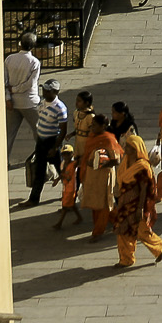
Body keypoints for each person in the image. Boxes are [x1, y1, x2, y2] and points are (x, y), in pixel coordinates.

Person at [111, 133, 162, 266]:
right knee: (123, 230)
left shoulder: (143, 167)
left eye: (129, 147)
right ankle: (126, 259)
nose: (126, 149)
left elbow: (144, 188)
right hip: (124, 201)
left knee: (142, 231)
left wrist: (141, 208)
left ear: (136, 149)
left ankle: (159, 247)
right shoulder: (126, 162)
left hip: (137, 204)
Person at [52, 91, 99, 230]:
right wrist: (72, 134)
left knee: (83, 173)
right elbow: (78, 129)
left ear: (86, 103)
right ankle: (71, 200)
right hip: (78, 144)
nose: (76, 103)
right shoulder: (76, 113)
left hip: (86, 146)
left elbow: (92, 133)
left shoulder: (91, 117)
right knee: (75, 174)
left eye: (79, 101)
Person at [24, 79, 69, 208]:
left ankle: (70, 195)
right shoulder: (43, 103)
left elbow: (63, 130)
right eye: (44, 90)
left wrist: (55, 148)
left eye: (47, 91)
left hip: (52, 142)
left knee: (62, 170)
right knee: (39, 170)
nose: (44, 92)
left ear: (55, 92)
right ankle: (34, 198)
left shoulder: (60, 108)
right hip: (41, 141)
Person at [4, 30, 43, 164]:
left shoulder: (9, 59)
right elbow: (30, 84)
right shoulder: (34, 62)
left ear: (20, 44)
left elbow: (4, 81)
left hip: (12, 103)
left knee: (9, 133)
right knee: (39, 131)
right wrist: (15, 89)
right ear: (33, 46)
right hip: (29, 102)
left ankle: (4, 161)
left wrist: (8, 97)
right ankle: (41, 158)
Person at [82, 118, 122, 242]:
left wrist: (102, 163)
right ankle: (119, 222)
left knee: (104, 204)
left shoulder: (109, 139)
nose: (91, 127)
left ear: (103, 126)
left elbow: (116, 160)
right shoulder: (92, 137)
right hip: (92, 176)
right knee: (95, 203)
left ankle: (98, 232)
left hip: (104, 176)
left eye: (94, 125)